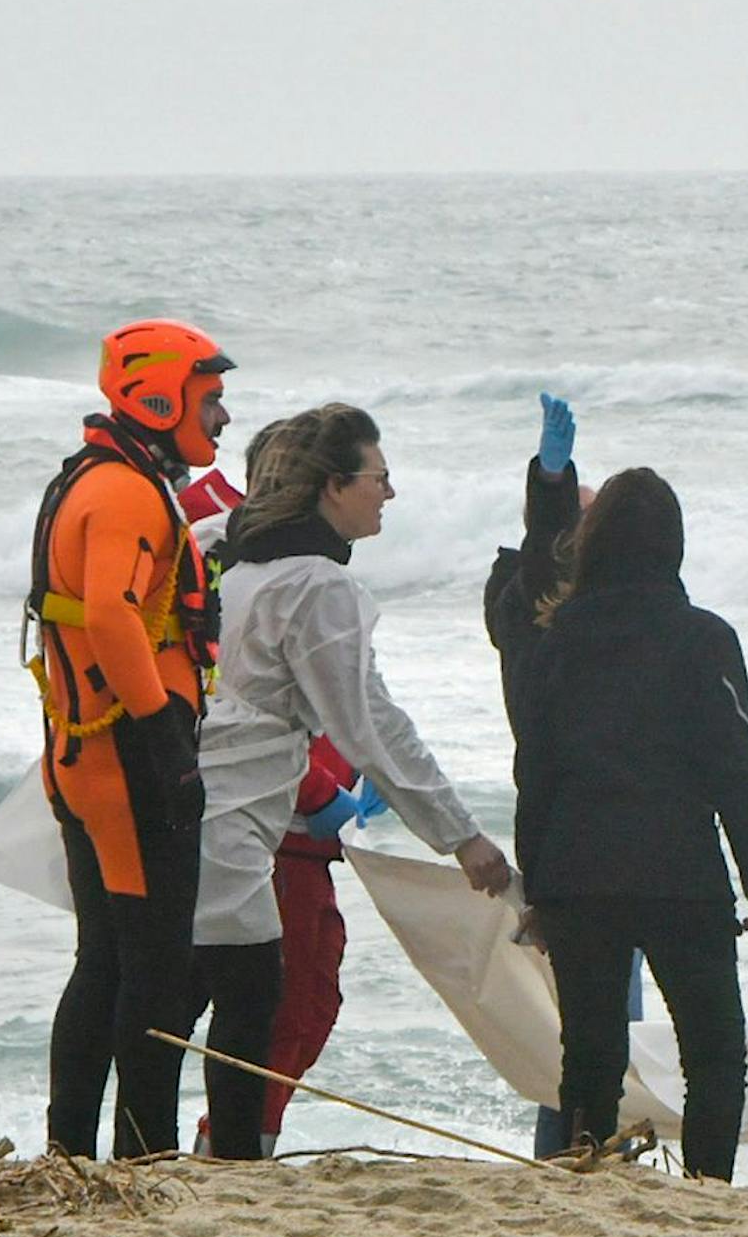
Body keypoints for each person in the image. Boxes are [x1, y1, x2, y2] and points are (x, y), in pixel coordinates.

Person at [190, 403, 511, 1156]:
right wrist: (461, 837)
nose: (388, 495)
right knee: (258, 1001)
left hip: (201, 805)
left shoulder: (230, 557)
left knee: (177, 996)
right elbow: (371, 724)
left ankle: (167, 1159)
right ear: (333, 486)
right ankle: (232, 1163)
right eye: (379, 478)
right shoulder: (315, 587)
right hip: (238, 819)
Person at [514, 467, 748, 1181]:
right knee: (715, 1053)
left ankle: (586, 1181)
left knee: (591, 1055)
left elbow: (534, 769)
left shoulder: (558, 638)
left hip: (577, 872)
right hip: (679, 872)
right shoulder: (704, 638)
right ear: (675, 546)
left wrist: (536, 883)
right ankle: (709, 1189)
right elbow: (734, 766)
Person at [29, 318, 232, 1159]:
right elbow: (112, 611)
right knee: (154, 968)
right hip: (125, 765)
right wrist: (161, 735)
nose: (222, 418)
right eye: (210, 399)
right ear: (159, 396)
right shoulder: (122, 492)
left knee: (107, 960)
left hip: (84, 762)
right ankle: (142, 1156)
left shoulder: (99, 478)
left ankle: (73, 1152)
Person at [181, 434, 386, 1159]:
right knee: (288, 1001)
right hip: (274, 825)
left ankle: (219, 1143)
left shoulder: (261, 559)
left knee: (264, 995)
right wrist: (325, 787)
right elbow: (234, 702)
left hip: (286, 820)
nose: (387, 493)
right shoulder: (246, 560)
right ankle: (237, 1149)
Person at [484, 394, 642, 1159]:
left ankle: (575, 1150)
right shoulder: (524, 605)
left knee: (601, 1026)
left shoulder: (604, 613)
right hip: (567, 839)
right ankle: (566, 1155)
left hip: (601, 837)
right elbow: (543, 575)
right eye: (573, 524)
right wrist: (553, 484)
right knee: (589, 1028)